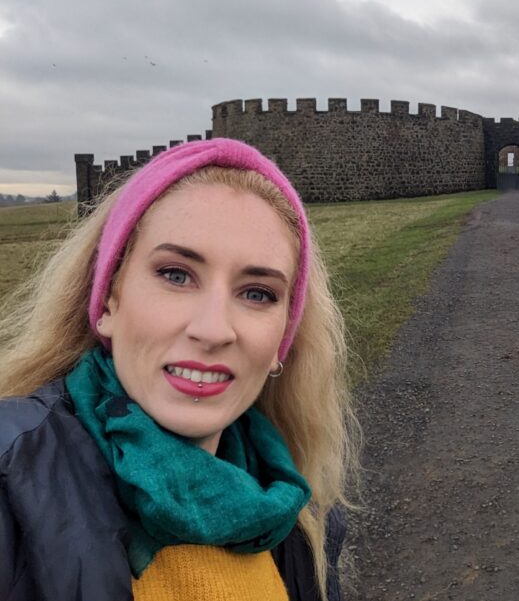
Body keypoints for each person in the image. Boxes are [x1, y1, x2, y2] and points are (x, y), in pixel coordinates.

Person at [0, 138, 358, 600]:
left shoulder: (299, 515)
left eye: (257, 293)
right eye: (175, 275)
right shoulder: (11, 483)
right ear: (108, 298)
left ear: (281, 342)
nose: (212, 330)